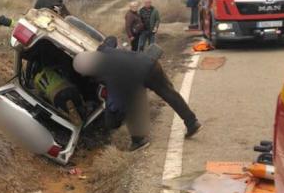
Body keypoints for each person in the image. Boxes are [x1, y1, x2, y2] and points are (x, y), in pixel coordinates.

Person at [73, 39, 202, 151]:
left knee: (132, 106)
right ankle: (192, 122)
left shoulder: (109, 75)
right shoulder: (104, 50)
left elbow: (116, 103)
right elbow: (111, 39)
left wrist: (112, 120)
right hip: (149, 63)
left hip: (138, 75)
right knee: (169, 94)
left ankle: (139, 140)